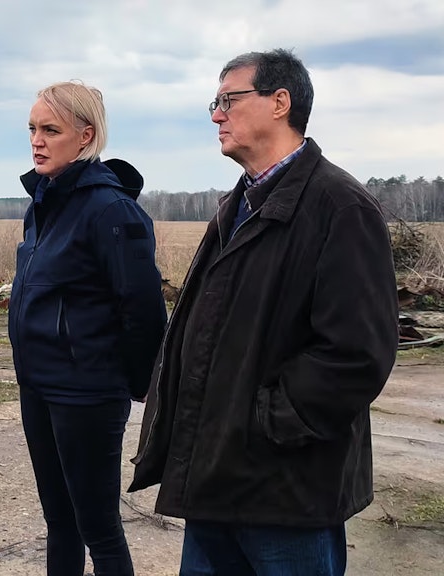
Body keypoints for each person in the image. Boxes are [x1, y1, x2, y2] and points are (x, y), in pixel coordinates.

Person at [130, 49, 398, 575]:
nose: (216, 115)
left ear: (280, 103)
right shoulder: (238, 206)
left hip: (284, 492)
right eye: (216, 102)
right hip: (217, 480)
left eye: (229, 100)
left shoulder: (339, 208)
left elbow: (357, 355)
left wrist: (265, 423)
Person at [9, 81, 166, 576]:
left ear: (85, 136)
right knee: (60, 522)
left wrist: (134, 384)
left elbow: (142, 309)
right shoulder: (43, 204)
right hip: (39, 387)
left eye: (50, 130)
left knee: (98, 526)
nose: (37, 139)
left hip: (87, 393)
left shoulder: (111, 209)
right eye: (33, 128)